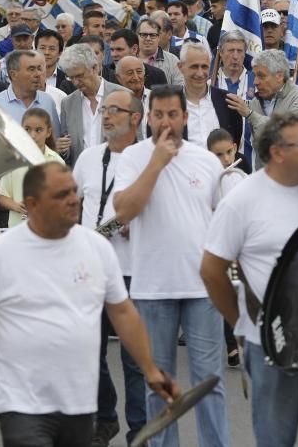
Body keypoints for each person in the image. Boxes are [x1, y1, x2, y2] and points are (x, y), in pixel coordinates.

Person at [0, 163, 179, 445]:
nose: (73, 199)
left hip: (80, 401)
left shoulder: (97, 248)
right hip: (21, 402)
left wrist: (151, 371)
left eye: (73, 191)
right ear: (31, 204)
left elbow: (123, 313)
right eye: (61, 195)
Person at [201, 111, 298, 446]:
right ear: (277, 152)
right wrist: (243, 321)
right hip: (271, 345)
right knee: (275, 440)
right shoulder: (241, 201)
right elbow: (212, 270)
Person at [112, 86, 230, 447]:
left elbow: (222, 222)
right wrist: (156, 163)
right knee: (159, 385)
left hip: (202, 289)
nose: (166, 122)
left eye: (172, 115)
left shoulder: (207, 162)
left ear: (185, 117)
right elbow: (123, 212)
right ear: (147, 118)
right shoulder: (133, 158)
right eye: (158, 115)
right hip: (152, 289)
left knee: (209, 383)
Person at [72, 90, 147, 446]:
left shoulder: (149, 159)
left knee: (134, 361)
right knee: (88, 352)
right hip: (91, 269)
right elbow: (73, 206)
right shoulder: (88, 158)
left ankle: (140, 431)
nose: (106, 115)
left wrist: (142, 220)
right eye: (105, 109)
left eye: (115, 110)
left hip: (133, 271)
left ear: (135, 118)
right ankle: (105, 417)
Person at [225, 49, 298, 169]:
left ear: (279, 76)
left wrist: (251, 115)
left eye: (261, 76)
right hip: (264, 178)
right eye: (254, 75)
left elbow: (293, 137)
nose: (255, 82)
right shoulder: (256, 102)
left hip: (292, 178)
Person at [58, 44, 129, 165]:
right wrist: (62, 150)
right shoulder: (67, 103)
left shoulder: (124, 96)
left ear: (95, 68)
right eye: (71, 78)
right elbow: (69, 150)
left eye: (80, 76)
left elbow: (137, 141)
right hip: (82, 177)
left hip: (116, 173)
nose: (75, 83)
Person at [0, 108, 65, 227]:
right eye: (27, 129)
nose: (32, 135)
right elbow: (1, 196)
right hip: (18, 229)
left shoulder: (57, 162)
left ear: (48, 132)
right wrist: (16, 206)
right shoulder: (13, 161)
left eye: (39, 130)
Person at [177, 41, 242, 147]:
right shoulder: (168, 104)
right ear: (180, 67)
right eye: (194, 67)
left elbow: (234, 142)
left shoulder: (228, 102)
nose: (200, 73)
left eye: (204, 67)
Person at [0, 49, 62, 136]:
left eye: (40, 68)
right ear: (13, 74)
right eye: (31, 69)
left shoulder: (47, 101)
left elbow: (55, 138)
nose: (38, 74)